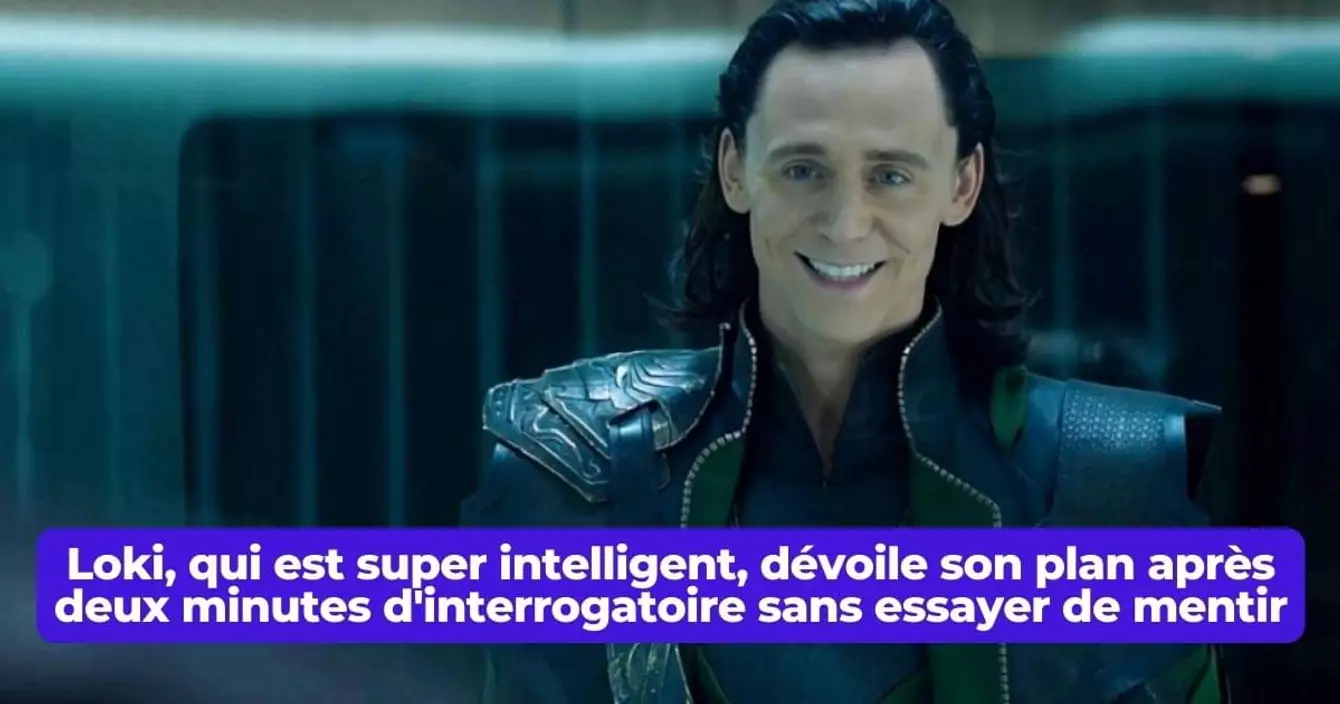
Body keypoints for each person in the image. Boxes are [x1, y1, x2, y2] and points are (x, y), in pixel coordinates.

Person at [462, 1, 1226, 702]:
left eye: (890, 174)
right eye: (804, 169)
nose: (845, 222)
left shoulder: (1112, 482)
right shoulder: (571, 468)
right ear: (735, 169)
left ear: (962, 184)